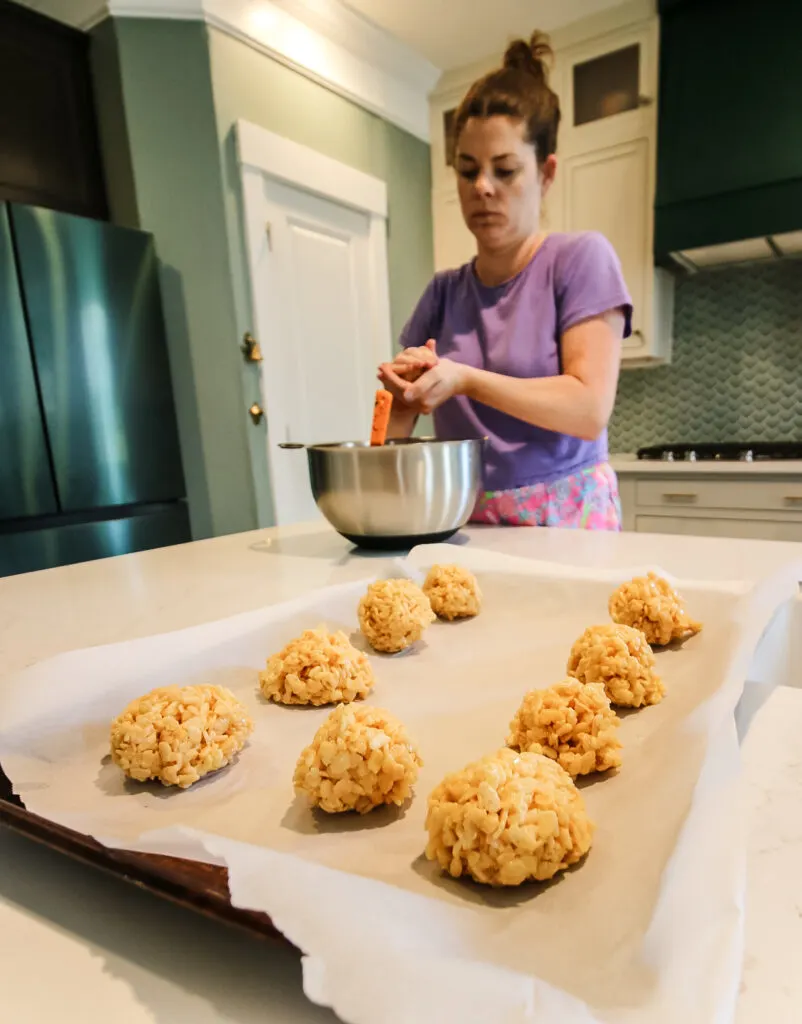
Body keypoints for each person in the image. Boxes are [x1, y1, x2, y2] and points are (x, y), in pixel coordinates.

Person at [379, 31, 632, 531]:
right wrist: (400, 401)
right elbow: (393, 438)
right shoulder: (442, 293)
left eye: (506, 170)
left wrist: (465, 379)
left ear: (547, 173)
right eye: (468, 169)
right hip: (466, 522)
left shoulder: (580, 261)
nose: (483, 188)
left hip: (568, 520)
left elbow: (588, 409)